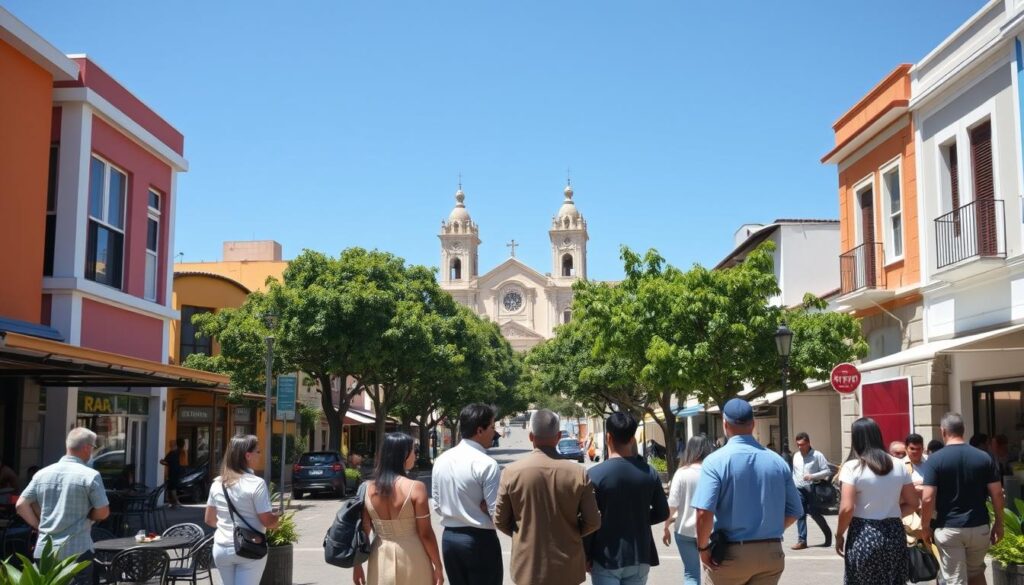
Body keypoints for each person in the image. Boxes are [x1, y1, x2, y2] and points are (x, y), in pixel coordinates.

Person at [692, 399, 802, 585]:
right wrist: (769, 530)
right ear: (753, 424)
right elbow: (795, 511)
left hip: (731, 553)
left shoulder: (715, 461)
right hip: (771, 552)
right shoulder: (777, 461)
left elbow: (704, 512)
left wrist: (703, 549)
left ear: (725, 424)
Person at [495, 409, 601, 585]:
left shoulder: (511, 473)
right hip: (567, 566)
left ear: (531, 436)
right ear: (558, 436)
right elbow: (593, 521)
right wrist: (570, 532)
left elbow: (500, 520)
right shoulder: (578, 473)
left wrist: (523, 533)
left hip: (528, 567)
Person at [16, 428, 110, 585]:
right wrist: (90, 516)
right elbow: (103, 512)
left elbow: (21, 505)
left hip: (45, 550)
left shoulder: (42, 474)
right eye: (93, 448)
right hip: (77, 549)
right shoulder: (90, 475)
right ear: (87, 447)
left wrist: (39, 526)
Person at [586, 412, 669, 585]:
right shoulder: (649, 473)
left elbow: (588, 520)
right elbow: (663, 512)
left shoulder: (594, 475)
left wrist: (586, 555)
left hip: (605, 555)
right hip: (639, 554)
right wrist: (640, 518)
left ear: (608, 437)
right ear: (633, 439)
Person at [920, 413, 1003, 585]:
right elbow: (997, 493)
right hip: (979, 526)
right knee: (976, 573)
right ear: (963, 430)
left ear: (943, 431)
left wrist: (925, 526)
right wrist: (999, 523)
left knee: (955, 580)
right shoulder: (984, 457)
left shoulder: (935, 460)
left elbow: (927, 498)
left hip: (949, 528)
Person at [834, 417, 918, 585]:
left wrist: (839, 534)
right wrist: (892, 512)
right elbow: (914, 503)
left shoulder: (853, 467)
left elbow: (847, 508)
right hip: (894, 532)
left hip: (864, 531)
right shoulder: (899, 465)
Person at [354, 432, 443, 585]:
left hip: (380, 554)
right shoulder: (416, 488)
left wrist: (357, 566)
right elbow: (426, 533)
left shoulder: (368, 488)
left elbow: (363, 531)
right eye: (413, 451)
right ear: (404, 455)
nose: (415, 455)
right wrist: (438, 566)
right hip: (413, 554)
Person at [430, 404, 501, 585]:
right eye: (492, 427)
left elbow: (437, 505)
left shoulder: (441, 460)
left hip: (450, 539)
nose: (495, 432)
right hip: (479, 540)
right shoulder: (487, 464)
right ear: (479, 430)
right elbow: (496, 513)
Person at [205, 435, 280, 585]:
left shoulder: (218, 483)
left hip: (221, 547)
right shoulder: (256, 484)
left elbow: (210, 519)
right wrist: (277, 519)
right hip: (249, 547)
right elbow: (267, 521)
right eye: (258, 452)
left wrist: (228, 527)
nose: (260, 455)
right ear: (247, 455)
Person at [664, 435, 715, 585]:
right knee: (713, 570)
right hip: (710, 530)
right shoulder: (713, 472)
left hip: (684, 530)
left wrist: (666, 526)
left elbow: (672, 504)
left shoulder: (681, 473)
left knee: (691, 573)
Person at [791, 431, 832, 550]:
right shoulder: (796, 456)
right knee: (801, 514)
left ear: (808, 443)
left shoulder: (817, 455)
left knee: (815, 513)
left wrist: (812, 476)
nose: (800, 447)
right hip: (799, 489)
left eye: (802, 444)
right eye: (798, 444)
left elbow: (827, 471)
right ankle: (802, 540)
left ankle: (828, 535)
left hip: (813, 489)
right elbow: (794, 472)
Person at [161, 437, 186, 507]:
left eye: (171, 444)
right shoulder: (182, 452)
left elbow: (165, 462)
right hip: (179, 471)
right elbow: (183, 463)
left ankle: (175, 502)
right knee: (173, 487)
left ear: (175, 444)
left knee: (172, 487)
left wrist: (163, 462)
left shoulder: (172, 453)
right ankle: (173, 502)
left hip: (172, 472)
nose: (170, 445)